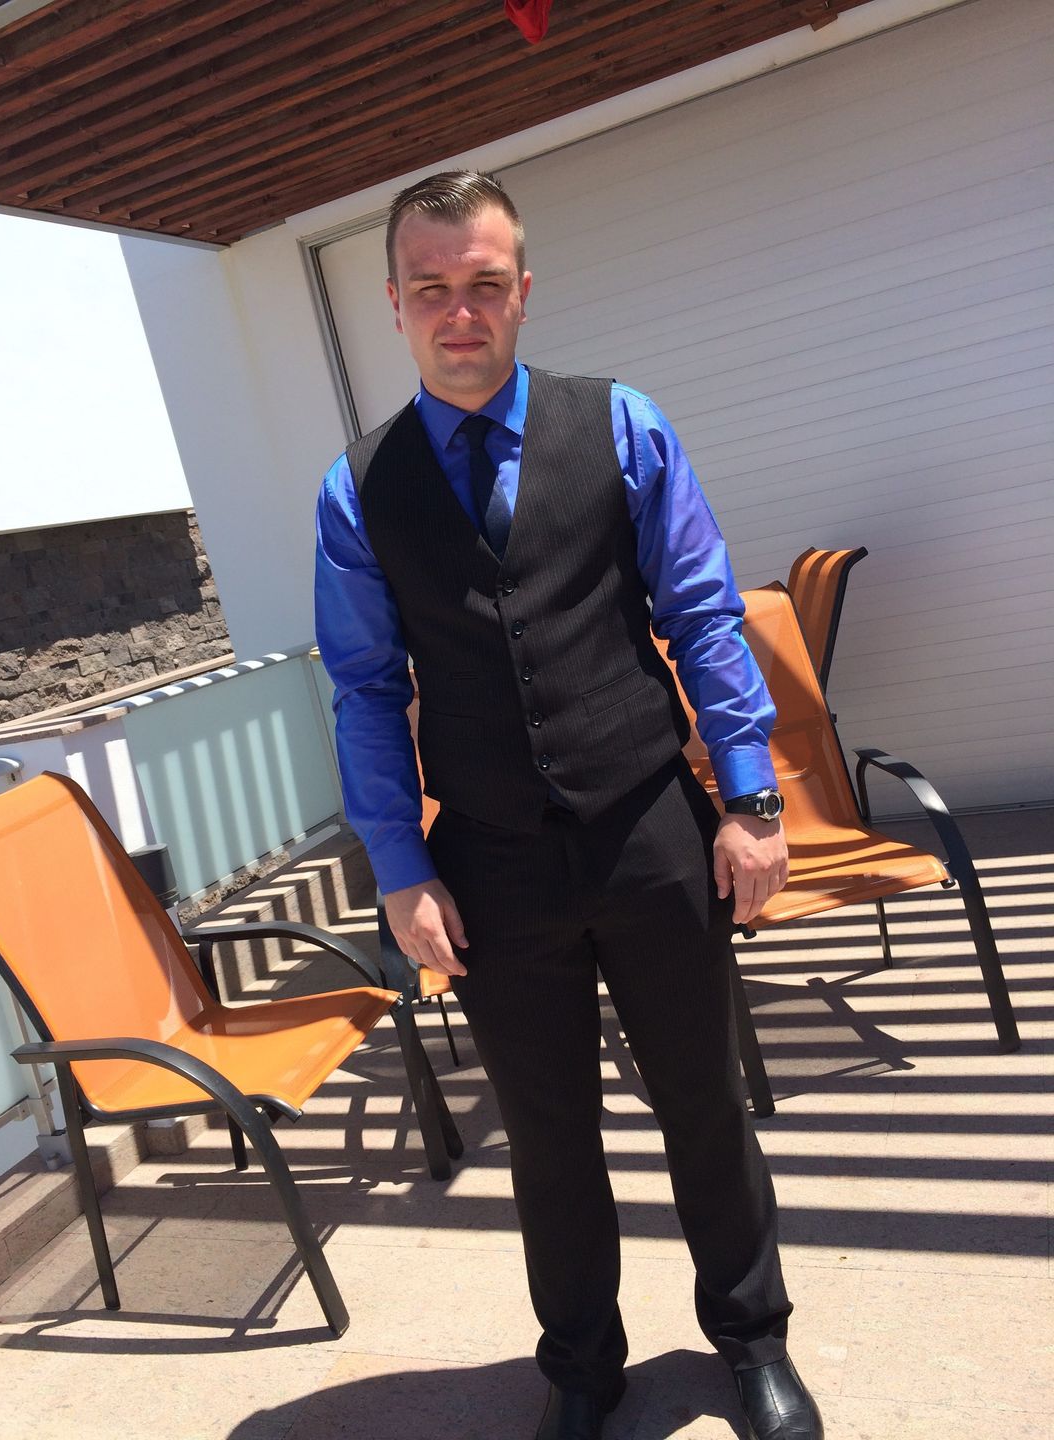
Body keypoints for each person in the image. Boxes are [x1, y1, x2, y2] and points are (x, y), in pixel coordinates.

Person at [314, 170, 822, 1440]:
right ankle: (584, 1368)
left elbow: (701, 613)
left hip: (647, 822)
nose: (461, 311)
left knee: (702, 1100)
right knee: (548, 1137)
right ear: (395, 304)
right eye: (432, 287)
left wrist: (750, 797)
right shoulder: (357, 489)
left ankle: (752, 1339)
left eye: (485, 284)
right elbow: (366, 688)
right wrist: (399, 866)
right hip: (490, 860)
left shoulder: (622, 425)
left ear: (523, 292)